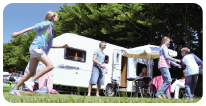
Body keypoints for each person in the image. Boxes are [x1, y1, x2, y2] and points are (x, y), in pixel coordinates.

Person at [9, 10, 69, 95]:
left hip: (36, 49)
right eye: (57, 16)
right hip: (36, 48)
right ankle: (31, 81)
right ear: (52, 17)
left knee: (30, 73)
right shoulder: (47, 23)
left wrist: (62, 46)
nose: (58, 18)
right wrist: (19, 33)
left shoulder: (52, 30)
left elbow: (50, 45)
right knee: (50, 66)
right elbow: (33, 27)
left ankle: (14, 89)